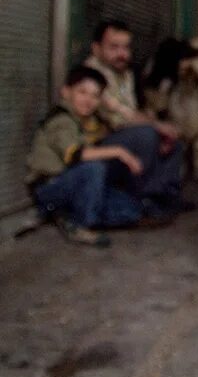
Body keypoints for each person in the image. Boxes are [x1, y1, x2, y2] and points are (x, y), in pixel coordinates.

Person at [25, 66, 145, 246]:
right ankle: (79, 224)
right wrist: (121, 152)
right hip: (51, 187)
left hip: (74, 186)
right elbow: (77, 155)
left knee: (132, 210)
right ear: (66, 92)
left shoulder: (84, 121)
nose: (88, 100)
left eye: (95, 96)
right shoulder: (61, 120)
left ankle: (64, 214)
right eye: (82, 92)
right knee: (94, 168)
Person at [85, 20, 189, 213]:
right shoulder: (91, 76)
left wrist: (162, 128)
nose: (122, 54)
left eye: (125, 47)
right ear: (96, 49)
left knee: (173, 138)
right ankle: (144, 199)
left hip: (122, 140)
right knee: (147, 134)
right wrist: (158, 127)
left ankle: (164, 196)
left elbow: (132, 112)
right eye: (114, 47)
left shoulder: (124, 74)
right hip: (97, 151)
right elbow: (119, 119)